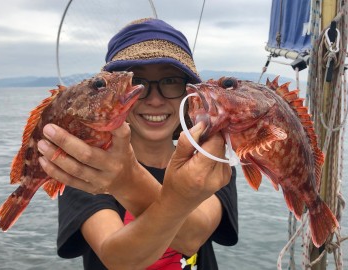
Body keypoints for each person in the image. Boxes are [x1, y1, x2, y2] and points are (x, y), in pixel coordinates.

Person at [37, 18, 238, 269]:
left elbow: (192, 238)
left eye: (170, 81)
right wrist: (126, 179)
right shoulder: (85, 166)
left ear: (190, 95)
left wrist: (125, 181)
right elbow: (119, 259)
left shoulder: (211, 160)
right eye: (138, 83)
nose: (154, 99)